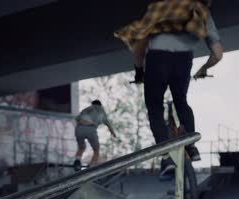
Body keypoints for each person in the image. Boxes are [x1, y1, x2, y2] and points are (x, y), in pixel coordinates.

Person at [114, 0, 224, 176]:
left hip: (157, 59)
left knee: (155, 106)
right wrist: (203, 69)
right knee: (181, 101)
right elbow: (218, 54)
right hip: (183, 60)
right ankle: (192, 147)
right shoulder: (201, 12)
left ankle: (165, 156)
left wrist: (139, 71)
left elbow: (140, 45)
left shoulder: (160, 7)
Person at [73, 100, 117, 170]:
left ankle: (77, 161)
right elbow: (108, 124)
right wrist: (113, 133)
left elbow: (77, 119)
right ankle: (92, 166)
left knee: (81, 147)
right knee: (96, 150)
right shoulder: (101, 110)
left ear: (92, 104)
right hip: (91, 128)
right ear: (100, 105)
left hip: (79, 128)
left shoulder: (86, 109)